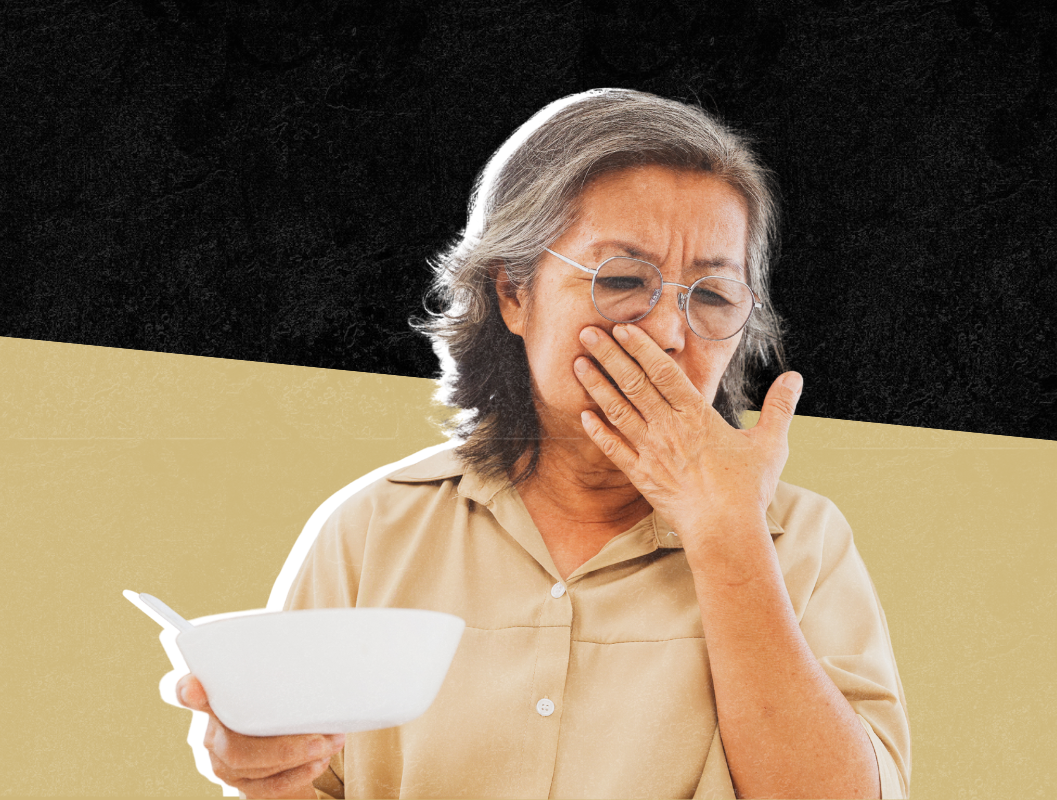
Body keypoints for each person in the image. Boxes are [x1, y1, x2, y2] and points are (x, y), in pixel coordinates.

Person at [172, 88, 910, 799]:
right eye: (624, 279)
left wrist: (726, 531)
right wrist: (261, 773)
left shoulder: (804, 543)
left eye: (712, 295)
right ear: (514, 293)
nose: (666, 333)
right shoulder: (371, 532)